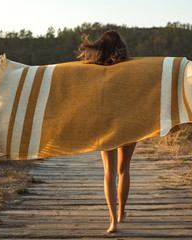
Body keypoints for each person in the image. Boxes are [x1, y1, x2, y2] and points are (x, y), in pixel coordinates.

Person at [77, 30, 137, 233]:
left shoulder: (94, 71)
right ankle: (122, 213)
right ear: (121, 46)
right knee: (123, 170)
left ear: (100, 48)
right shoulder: (132, 69)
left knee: (109, 173)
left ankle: (112, 220)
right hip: (129, 122)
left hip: (105, 123)